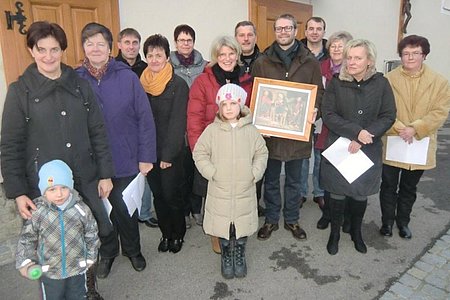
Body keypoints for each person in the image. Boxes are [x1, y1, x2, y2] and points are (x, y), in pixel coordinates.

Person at [0, 21, 114, 299]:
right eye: (42, 50)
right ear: (31, 50)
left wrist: (105, 173)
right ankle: (55, 291)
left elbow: (97, 130)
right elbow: (10, 144)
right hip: (45, 186)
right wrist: (17, 193)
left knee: (88, 232)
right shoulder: (20, 91)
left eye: (55, 50)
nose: (48, 57)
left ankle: (87, 286)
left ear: (63, 51)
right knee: (53, 241)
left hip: (84, 176)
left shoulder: (81, 86)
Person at [76, 22, 156, 278]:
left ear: (110, 47)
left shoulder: (127, 76)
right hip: (92, 162)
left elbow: (145, 118)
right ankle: (108, 252)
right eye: (90, 43)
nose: (96, 48)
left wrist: (146, 157)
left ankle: (132, 250)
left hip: (126, 156)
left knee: (125, 208)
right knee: (101, 212)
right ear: (83, 48)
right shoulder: (75, 80)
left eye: (101, 43)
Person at [320, 39, 396, 255]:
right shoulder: (336, 82)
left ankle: (356, 231)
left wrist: (364, 136)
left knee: (360, 194)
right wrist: (355, 132)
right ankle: (334, 233)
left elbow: (388, 115)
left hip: (368, 147)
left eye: (357, 58)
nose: (351, 62)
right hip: (340, 146)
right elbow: (329, 114)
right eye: (349, 57)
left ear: (369, 61)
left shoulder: (381, 83)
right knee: (337, 193)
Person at [252, 13, 323, 241]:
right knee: (271, 180)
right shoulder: (262, 61)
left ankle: (292, 219)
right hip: (270, 134)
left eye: (288, 28)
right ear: (275, 32)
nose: (283, 32)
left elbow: (318, 94)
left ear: (295, 31)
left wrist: (315, 110)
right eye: (279, 29)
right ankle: (271, 219)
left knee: (295, 180)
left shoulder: (310, 62)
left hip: (297, 133)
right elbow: (256, 95)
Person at [193, 83, 268, 279]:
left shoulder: (251, 131)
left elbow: (262, 152)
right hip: (220, 188)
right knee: (223, 226)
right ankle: (226, 254)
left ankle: (239, 253)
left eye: (233, 103)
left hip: (245, 187)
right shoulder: (212, 131)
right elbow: (199, 152)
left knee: (241, 225)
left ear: (240, 105)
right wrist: (211, 172)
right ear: (219, 106)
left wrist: (255, 173)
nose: (228, 108)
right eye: (224, 103)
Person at [380, 35, 450, 239]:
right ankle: (387, 223)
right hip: (393, 139)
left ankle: (403, 222)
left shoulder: (439, 82)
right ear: (400, 56)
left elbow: (440, 111)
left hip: (420, 141)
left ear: (424, 55)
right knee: (388, 186)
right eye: (406, 53)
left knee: (409, 188)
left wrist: (415, 128)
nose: (410, 57)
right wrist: (400, 128)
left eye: (415, 53)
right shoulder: (388, 80)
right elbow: (383, 109)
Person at [188, 35, 253, 254]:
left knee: (238, 192)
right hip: (214, 149)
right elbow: (194, 119)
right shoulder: (202, 81)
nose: (227, 58)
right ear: (215, 57)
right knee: (215, 195)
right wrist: (201, 153)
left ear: (238, 55)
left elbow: (253, 113)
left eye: (231, 53)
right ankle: (217, 233)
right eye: (222, 54)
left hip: (240, 147)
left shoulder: (246, 80)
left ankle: (237, 231)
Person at [16, 160, 99, 299]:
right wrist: (26, 262)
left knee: (78, 296)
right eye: (52, 189)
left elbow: (91, 233)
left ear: (70, 187)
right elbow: (27, 239)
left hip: (77, 269)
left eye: (64, 188)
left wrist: (90, 257)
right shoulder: (38, 212)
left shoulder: (81, 209)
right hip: (50, 272)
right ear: (44, 190)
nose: (59, 194)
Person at [141, 34, 189, 253]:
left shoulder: (177, 84)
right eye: (150, 55)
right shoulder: (140, 84)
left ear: (167, 57)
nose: (154, 59)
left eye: (158, 55)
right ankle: (165, 233)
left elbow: (178, 122)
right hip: (149, 152)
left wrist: (168, 156)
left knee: (172, 195)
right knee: (158, 196)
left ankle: (178, 233)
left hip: (171, 152)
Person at [116, 27, 158, 229]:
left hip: (142, 124)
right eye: (127, 42)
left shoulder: (146, 67)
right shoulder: (112, 68)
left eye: (135, 43)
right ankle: (124, 213)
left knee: (144, 172)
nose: (131, 47)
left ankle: (144, 212)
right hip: (122, 128)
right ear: (118, 45)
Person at [170, 24, 208, 229]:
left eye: (189, 40)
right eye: (181, 40)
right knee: (181, 172)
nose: (185, 44)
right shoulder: (168, 66)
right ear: (176, 43)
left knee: (198, 171)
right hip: (178, 127)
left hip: (199, 126)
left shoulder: (205, 66)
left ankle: (196, 208)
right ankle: (184, 211)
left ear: (194, 42)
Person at [315, 31, 353, 231]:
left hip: (348, 130)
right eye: (333, 46)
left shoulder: (353, 69)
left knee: (346, 173)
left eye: (341, 46)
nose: (336, 49)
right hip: (326, 129)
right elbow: (315, 94)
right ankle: (328, 213)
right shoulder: (320, 68)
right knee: (327, 173)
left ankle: (345, 216)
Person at [234, 20, 265, 217]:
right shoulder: (228, 60)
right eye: (241, 35)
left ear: (255, 37)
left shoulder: (266, 61)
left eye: (249, 34)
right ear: (236, 38)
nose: (246, 38)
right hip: (235, 123)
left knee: (256, 166)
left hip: (259, 124)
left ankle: (254, 203)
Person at [298, 16, 329, 210]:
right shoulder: (297, 52)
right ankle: (301, 192)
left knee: (320, 154)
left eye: (319, 28)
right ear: (306, 31)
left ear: (323, 32)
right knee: (302, 155)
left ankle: (319, 192)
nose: (315, 32)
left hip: (323, 110)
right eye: (311, 28)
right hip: (300, 110)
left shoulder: (331, 53)